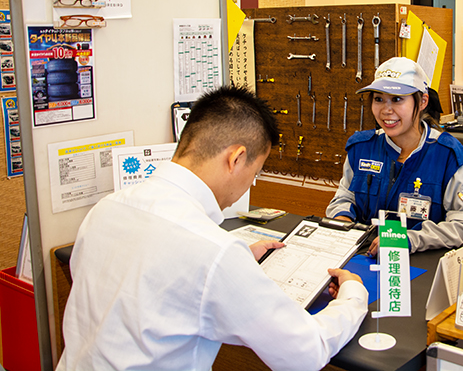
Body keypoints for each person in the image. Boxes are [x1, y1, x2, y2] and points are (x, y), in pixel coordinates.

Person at [57, 85, 368, 371]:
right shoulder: (213, 252)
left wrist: (236, 264)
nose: (251, 182)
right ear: (236, 158)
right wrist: (353, 295)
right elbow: (304, 351)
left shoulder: (108, 208)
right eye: (256, 172)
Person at [326, 57, 463, 255]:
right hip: (363, 257)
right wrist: (342, 220)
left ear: (422, 101)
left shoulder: (449, 155)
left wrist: (409, 239)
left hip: (421, 264)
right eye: (378, 99)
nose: (386, 111)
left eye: (397, 99)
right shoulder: (361, 148)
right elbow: (343, 198)